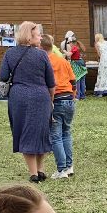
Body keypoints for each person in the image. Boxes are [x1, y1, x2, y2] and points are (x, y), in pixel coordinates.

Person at [0, 20, 55, 183]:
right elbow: (51, 82)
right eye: (38, 35)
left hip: (19, 97)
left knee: (24, 131)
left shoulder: (10, 54)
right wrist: (50, 100)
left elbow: (3, 77)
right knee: (41, 132)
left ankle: (33, 172)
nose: (40, 38)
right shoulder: (42, 55)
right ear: (29, 37)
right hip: (41, 96)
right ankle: (41, 169)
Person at [41, 34, 77, 180]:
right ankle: (69, 166)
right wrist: (73, 96)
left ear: (40, 48)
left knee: (55, 136)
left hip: (56, 100)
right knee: (66, 133)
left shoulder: (45, 62)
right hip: (69, 99)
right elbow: (73, 81)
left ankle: (61, 169)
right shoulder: (62, 61)